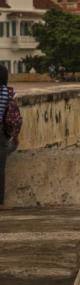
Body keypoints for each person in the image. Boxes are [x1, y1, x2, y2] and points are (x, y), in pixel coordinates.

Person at [0, 65, 18, 209]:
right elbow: (13, 116)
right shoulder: (8, 92)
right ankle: (0, 202)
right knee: (0, 167)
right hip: (1, 131)